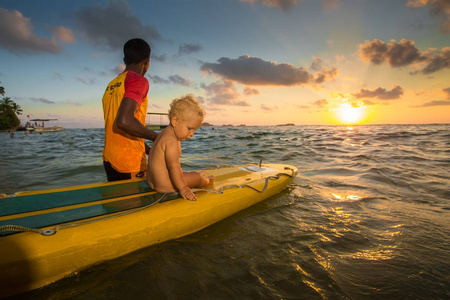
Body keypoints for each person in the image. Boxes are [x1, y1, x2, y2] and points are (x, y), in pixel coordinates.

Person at [102, 38, 158, 181]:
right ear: (147, 60)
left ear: (125, 60)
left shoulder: (112, 85)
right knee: (136, 203)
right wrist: (157, 137)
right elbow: (125, 122)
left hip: (110, 160)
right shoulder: (139, 81)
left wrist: (149, 151)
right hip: (130, 163)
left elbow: (126, 131)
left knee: (116, 202)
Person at [147, 95, 215, 201]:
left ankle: (197, 177)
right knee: (195, 177)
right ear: (175, 121)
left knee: (187, 175)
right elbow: (174, 167)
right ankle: (205, 180)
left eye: (194, 131)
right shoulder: (172, 141)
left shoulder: (162, 135)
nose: (191, 134)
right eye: (189, 129)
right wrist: (184, 188)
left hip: (152, 183)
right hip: (165, 186)